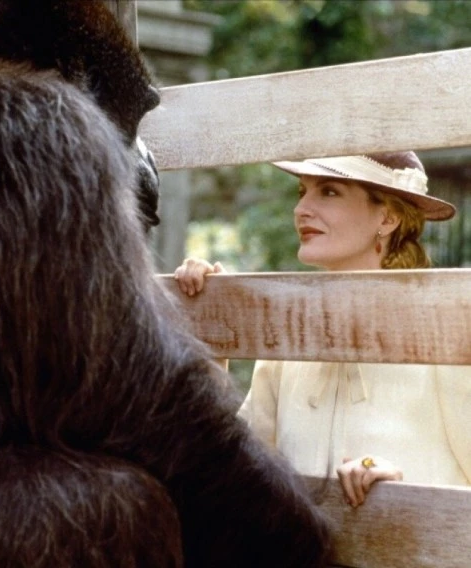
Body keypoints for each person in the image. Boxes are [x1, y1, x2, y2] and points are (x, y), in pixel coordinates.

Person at [175, 151, 470, 507]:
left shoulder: (447, 327)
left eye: (329, 191)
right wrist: (212, 327)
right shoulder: (288, 332)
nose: (301, 209)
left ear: (388, 217)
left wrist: (404, 490)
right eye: (303, 192)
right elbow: (231, 477)